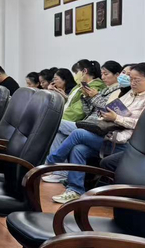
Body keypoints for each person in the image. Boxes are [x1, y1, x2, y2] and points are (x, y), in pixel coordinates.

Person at [46, 62, 145, 204]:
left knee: (78, 134)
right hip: (109, 137)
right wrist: (105, 113)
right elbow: (110, 109)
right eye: (131, 79)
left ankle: (52, 162)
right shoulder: (129, 94)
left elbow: (140, 124)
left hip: (126, 145)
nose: (132, 83)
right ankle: (75, 190)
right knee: (79, 149)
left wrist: (116, 118)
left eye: (137, 80)